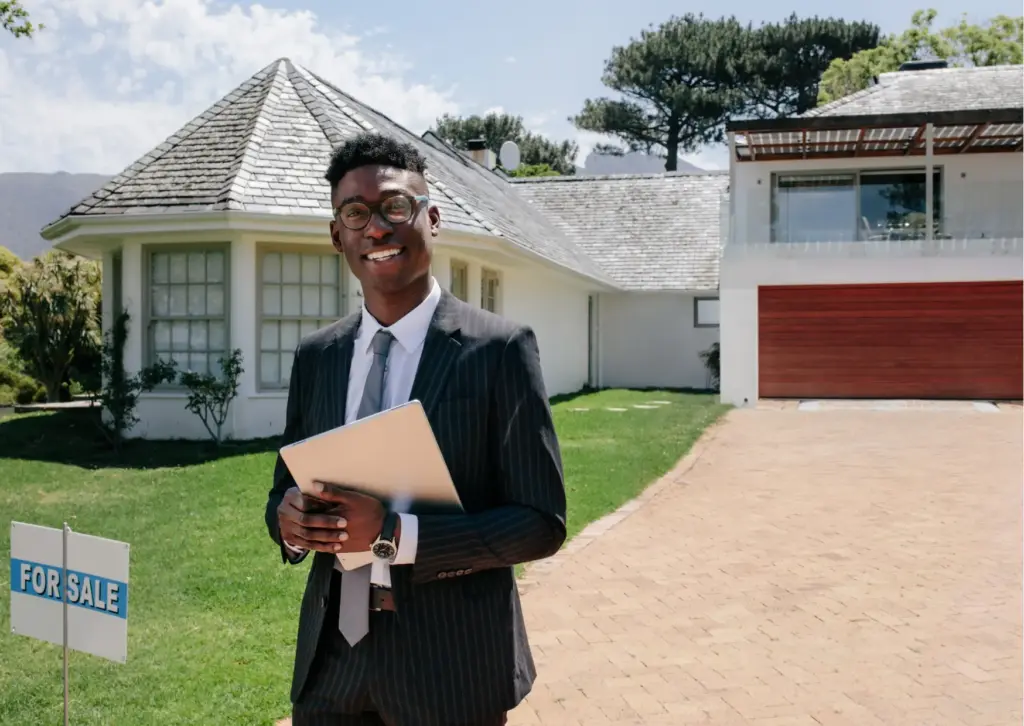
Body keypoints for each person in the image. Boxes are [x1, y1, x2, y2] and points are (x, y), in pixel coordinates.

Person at [264, 131, 568, 726]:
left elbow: (540, 523)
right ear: (337, 236)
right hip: (332, 670)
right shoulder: (317, 356)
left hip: (448, 668)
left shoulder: (499, 350)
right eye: (355, 213)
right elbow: (282, 487)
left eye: (395, 208)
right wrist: (289, 523)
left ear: (431, 218)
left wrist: (395, 536)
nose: (376, 228)